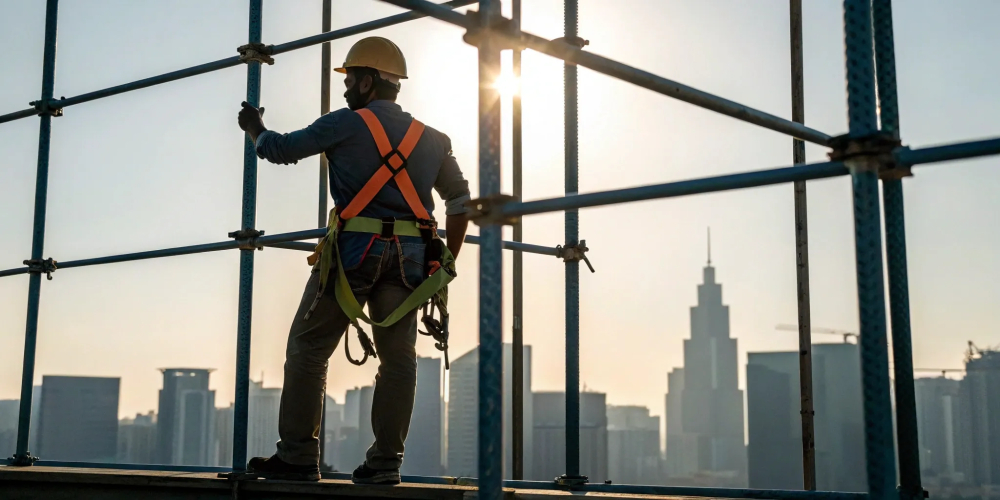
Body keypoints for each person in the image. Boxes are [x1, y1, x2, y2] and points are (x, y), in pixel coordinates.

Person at [237, 36, 471, 485]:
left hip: (353, 254)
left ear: (366, 82)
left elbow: (280, 150)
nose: (346, 90)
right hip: (411, 260)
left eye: (350, 80)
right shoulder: (433, 139)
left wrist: (255, 127)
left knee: (308, 349)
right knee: (398, 359)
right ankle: (385, 465)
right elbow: (460, 202)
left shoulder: (345, 123)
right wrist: (446, 264)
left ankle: (299, 456)